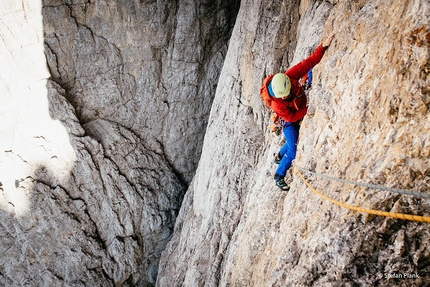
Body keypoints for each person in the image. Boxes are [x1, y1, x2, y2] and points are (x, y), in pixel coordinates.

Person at [261, 34, 335, 190]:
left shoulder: (290, 76)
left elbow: (309, 63)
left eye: (288, 93)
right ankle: (279, 176)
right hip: (289, 122)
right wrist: (308, 110)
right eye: (285, 95)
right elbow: (292, 116)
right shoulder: (277, 104)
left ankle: (280, 155)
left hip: (298, 110)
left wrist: (323, 46)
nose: (288, 96)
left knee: (290, 144)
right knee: (294, 151)